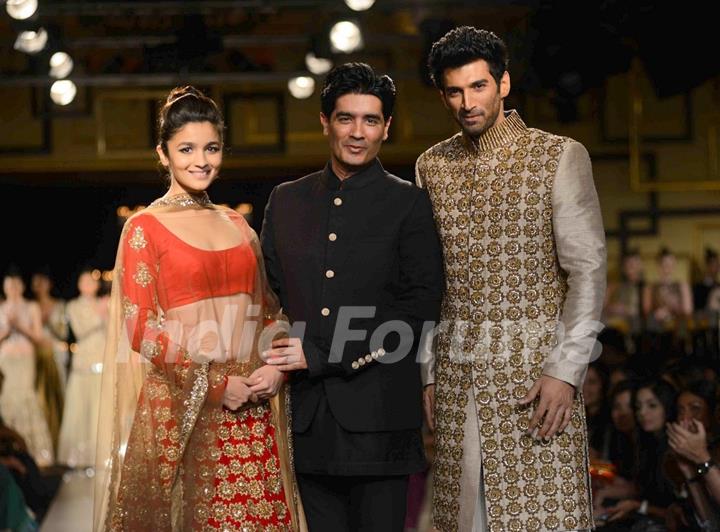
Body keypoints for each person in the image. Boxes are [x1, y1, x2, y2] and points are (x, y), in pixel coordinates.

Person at [415, 26, 606, 531]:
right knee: (462, 519)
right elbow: (429, 281)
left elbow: (587, 272)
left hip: (537, 383)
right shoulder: (432, 166)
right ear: (443, 95)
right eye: (454, 91)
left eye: (478, 86)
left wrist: (566, 372)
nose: (466, 102)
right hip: (457, 383)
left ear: (503, 84)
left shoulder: (557, 156)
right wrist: (429, 372)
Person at [93, 86, 305, 531]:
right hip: (182, 409)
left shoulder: (237, 224)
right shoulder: (144, 228)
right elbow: (141, 330)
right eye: (186, 149)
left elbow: (268, 312)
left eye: (211, 148)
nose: (201, 160)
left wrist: (277, 367)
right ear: (163, 153)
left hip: (250, 404)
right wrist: (212, 384)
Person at [260, 62, 444, 531]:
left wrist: (322, 355)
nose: (357, 133)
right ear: (325, 122)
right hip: (307, 423)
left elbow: (418, 313)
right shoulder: (286, 200)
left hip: (382, 423)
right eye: (346, 118)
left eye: (370, 120)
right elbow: (266, 298)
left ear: (387, 127)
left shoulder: (409, 203)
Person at [0, 268, 54, 468]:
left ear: (21, 287)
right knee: (6, 398)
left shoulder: (31, 307)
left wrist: (20, 326)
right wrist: (7, 330)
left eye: (16, 285)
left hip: (24, 359)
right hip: (6, 360)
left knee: (26, 397)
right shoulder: (1, 308)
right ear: (5, 288)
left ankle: (34, 449)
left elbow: (39, 338)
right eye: (9, 286)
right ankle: (7, 447)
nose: (13, 289)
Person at [57, 268, 107, 468]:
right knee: (81, 406)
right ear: (78, 284)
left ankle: (101, 453)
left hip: (103, 359)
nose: (88, 285)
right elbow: (79, 330)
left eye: (91, 281)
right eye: (84, 281)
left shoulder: (105, 303)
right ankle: (79, 456)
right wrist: (99, 315)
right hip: (84, 361)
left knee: (100, 407)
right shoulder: (73, 306)